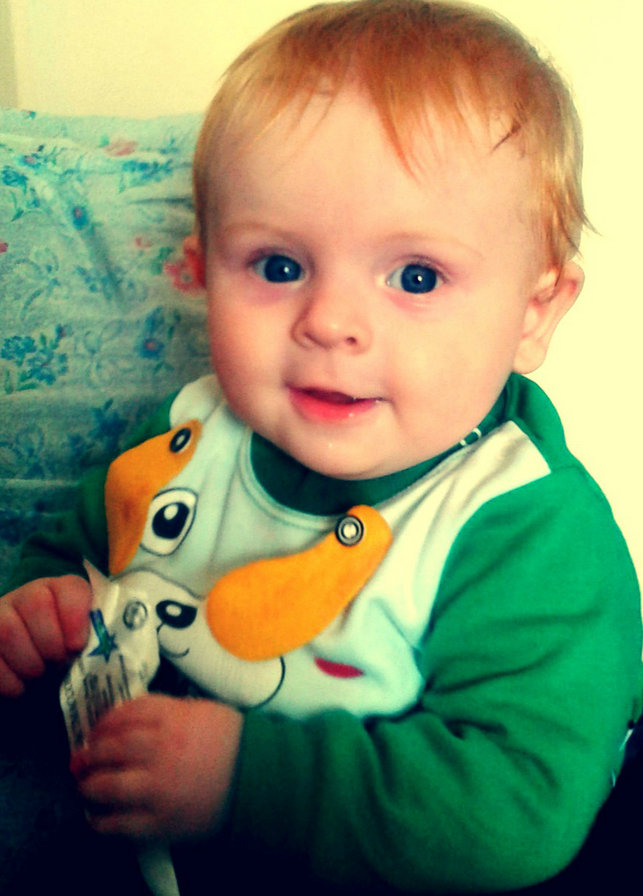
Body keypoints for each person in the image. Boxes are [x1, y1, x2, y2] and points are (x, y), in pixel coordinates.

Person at [1, 1, 641, 893]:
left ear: (533, 315)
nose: (331, 322)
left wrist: (240, 783)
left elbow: (515, 805)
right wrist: (42, 613)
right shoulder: (185, 438)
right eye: (278, 266)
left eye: (415, 276)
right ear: (202, 269)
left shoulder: (526, 530)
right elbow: (74, 555)